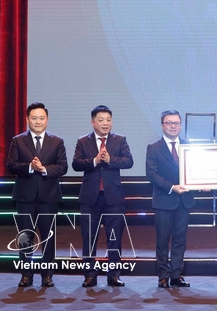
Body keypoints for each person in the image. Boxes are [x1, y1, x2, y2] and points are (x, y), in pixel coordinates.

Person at [6, 102, 68, 288]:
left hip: (49, 197)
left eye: (41, 118)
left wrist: (44, 169)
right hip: (25, 197)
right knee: (25, 237)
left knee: (48, 238)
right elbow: (11, 165)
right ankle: (26, 275)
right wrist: (30, 167)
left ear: (47, 120)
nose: (38, 121)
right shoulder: (18, 140)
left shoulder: (57, 141)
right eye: (34, 118)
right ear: (27, 119)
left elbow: (63, 167)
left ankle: (47, 276)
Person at [72, 105, 134, 287]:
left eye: (108, 120)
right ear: (93, 122)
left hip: (113, 198)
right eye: (101, 120)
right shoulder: (83, 141)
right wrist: (94, 161)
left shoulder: (120, 140)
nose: (105, 123)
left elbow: (129, 161)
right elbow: (76, 164)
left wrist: (110, 160)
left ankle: (113, 275)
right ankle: (90, 275)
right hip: (90, 198)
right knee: (89, 238)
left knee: (114, 238)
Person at [145, 110, 194, 288]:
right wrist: (172, 187)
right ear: (162, 125)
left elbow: (196, 171)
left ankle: (176, 275)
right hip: (164, 201)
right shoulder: (154, 148)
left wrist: (202, 182)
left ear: (180, 125)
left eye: (176, 123)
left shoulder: (189, 146)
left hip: (184, 200)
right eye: (169, 123)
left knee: (180, 240)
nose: (173, 126)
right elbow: (152, 174)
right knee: (163, 241)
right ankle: (163, 276)